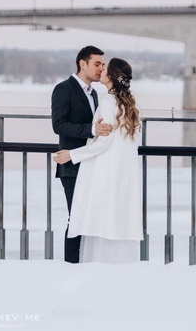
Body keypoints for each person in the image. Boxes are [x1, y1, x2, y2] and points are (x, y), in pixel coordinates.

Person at [53, 57, 143, 264]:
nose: (101, 69)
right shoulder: (130, 104)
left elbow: (103, 143)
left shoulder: (107, 103)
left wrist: (71, 154)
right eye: (99, 65)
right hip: (123, 172)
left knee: (100, 218)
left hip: (106, 170)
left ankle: (94, 265)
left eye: (105, 67)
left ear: (111, 76)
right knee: (115, 218)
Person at [51, 45, 113, 264]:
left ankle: (87, 262)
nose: (101, 68)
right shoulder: (63, 89)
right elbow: (58, 125)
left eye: (102, 64)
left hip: (90, 164)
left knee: (89, 217)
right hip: (71, 166)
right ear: (82, 64)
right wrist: (92, 129)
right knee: (75, 218)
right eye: (97, 64)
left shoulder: (94, 93)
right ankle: (71, 265)